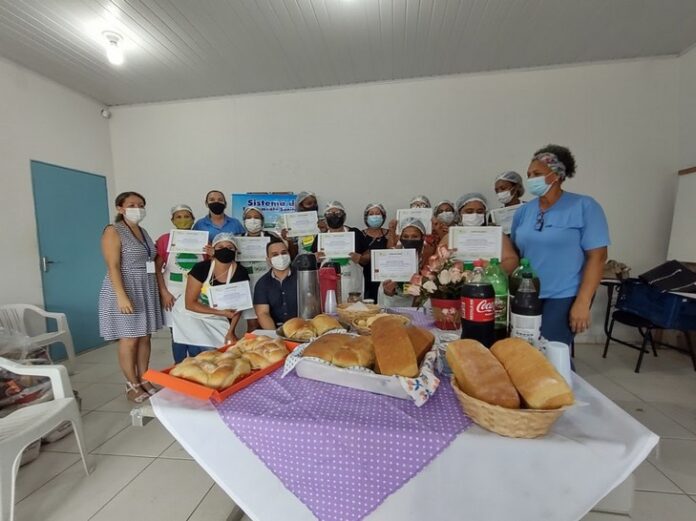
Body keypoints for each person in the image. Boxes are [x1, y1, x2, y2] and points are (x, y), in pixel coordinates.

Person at [511, 144, 609, 345]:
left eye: (537, 174)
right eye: (529, 175)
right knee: (525, 350)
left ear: (556, 175)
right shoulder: (523, 212)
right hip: (527, 293)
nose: (531, 179)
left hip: (564, 295)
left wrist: (583, 302)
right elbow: (515, 253)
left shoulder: (584, 206)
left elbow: (598, 257)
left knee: (551, 350)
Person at [99, 191, 162, 403]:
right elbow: (113, 266)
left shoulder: (143, 231)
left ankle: (144, 377)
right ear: (120, 208)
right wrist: (121, 296)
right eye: (132, 205)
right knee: (130, 339)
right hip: (124, 287)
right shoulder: (113, 230)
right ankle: (131, 383)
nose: (138, 208)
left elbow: (152, 258)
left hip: (145, 287)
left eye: (141, 205)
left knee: (144, 337)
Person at [171, 233, 249, 351]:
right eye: (220, 247)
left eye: (230, 247)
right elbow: (190, 304)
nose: (225, 250)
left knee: (224, 349)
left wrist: (231, 331)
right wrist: (222, 313)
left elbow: (239, 306)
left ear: (236, 251)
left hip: (217, 317)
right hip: (189, 314)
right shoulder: (201, 268)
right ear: (213, 250)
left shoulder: (241, 272)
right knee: (200, 350)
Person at [154, 204, 204, 363]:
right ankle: (179, 366)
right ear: (172, 220)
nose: (183, 220)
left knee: (196, 330)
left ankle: (196, 365)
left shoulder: (202, 238)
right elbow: (157, 269)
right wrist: (164, 293)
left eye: (187, 216)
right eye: (179, 217)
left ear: (193, 219)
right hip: (172, 291)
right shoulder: (165, 240)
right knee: (176, 332)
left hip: (197, 291)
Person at [439, 193, 519, 274]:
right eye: (469, 211)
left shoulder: (498, 235)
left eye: (480, 212)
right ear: (459, 213)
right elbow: (437, 264)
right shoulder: (450, 237)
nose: (475, 215)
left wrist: (492, 268)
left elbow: (512, 261)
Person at [312, 201, 369, 301]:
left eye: (338, 213)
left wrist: (360, 258)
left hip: (352, 288)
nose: (334, 216)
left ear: (344, 216)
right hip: (328, 287)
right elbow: (313, 264)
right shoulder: (320, 238)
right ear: (325, 218)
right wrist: (315, 259)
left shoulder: (355, 233)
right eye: (330, 214)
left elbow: (367, 257)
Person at [238, 206, 277, 332]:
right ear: (244, 221)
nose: (253, 220)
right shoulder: (237, 239)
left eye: (256, 217)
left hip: (269, 284)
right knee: (252, 324)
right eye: (249, 217)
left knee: (270, 320)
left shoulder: (271, 237)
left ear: (262, 220)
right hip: (247, 286)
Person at [380, 218, 427, 307]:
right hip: (393, 302)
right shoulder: (393, 255)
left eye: (414, 236)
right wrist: (388, 289)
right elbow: (386, 287)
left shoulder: (427, 256)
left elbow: (428, 287)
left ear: (422, 237)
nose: (410, 240)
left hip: (419, 305)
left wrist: (414, 289)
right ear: (400, 238)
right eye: (405, 236)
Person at [254, 237, 298, 329]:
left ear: (289, 254)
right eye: (275, 254)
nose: (280, 257)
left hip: (301, 327)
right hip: (275, 329)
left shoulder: (302, 277)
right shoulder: (262, 283)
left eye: (284, 253)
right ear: (268, 260)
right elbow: (262, 313)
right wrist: (274, 334)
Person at [360, 203, 390, 302]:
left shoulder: (389, 234)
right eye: (371, 214)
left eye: (378, 213)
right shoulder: (360, 235)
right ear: (366, 217)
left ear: (383, 216)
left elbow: (393, 252)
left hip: (384, 277)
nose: (375, 216)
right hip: (365, 276)